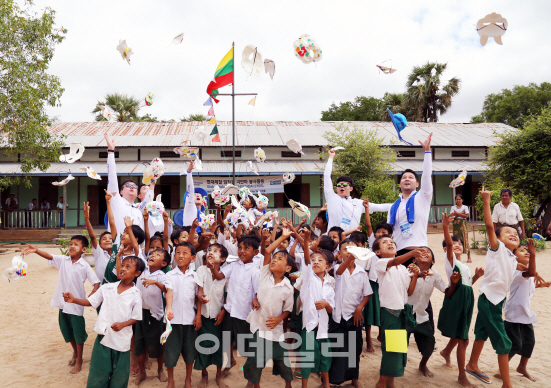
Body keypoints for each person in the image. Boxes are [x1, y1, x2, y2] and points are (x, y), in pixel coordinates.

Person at [465, 187, 535, 387]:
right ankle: (507, 384)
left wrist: (533, 256)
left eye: (515, 232)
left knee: (481, 333)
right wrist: (486, 201)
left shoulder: (513, 258)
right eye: (507, 232)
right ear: (498, 238)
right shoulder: (497, 249)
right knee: (504, 344)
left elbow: (529, 270)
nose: (513, 233)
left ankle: (472, 364)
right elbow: (489, 226)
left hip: (495, 300)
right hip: (489, 300)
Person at [63, 255, 145, 388]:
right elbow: (91, 301)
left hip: (121, 342)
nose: (123, 268)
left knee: (119, 377)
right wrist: (75, 300)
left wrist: (123, 324)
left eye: (128, 267)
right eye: (122, 265)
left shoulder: (136, 294)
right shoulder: (107, 287)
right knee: (98, 373)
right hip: (103, 338)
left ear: (137, 273)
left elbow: (136, 317)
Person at [22, 236, 100, 374]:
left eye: (76, 244)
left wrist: (92, 293)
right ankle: (75, 352)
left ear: (84, 249)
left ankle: (80, 360)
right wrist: (36, 250)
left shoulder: (85, 265)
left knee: (78, 333)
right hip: (63, 304)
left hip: (76, 305)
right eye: (71, 243)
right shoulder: (63, 260)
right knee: (67, 331)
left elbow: (96, 282)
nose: (72, 246)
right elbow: (49, 255)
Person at [241, 228, 294, 388]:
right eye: (275, 258)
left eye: (280, 259)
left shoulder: (288, 288)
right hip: (259, 326)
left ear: (288, 269)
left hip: (275, 330)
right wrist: (283, 237)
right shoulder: (265, 274)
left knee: (282, 360)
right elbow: (269, 250)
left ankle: (288, 384)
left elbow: (288, 310)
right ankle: (253, 384)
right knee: (256, 359)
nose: (274, 260)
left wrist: (279, 319)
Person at [438, 213, 484, 388]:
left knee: (460, 332)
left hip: (466, 299)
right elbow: (449, 243)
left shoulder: (463, 265)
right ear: (446, 249)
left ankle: (446, 351)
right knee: (464, 339)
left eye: (460, 244)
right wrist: (445, 226)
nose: (457, 245)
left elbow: (466, 284)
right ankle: (462, 376)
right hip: (458, 300)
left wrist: (476, 277)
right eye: (453, 244)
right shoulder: (450, 261)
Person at [373, 237, 421, 388]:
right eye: (385, 242)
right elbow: (393, 261)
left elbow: (410, 291)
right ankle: (382, 382)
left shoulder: (402, 269)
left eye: (392, 242)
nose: (390, 243)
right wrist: (412, 252)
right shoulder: (381, 263)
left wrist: (415, 276)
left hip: (402, 311)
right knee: (391, 348)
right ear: (377, 251)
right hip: (390, 311)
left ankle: (390, 381)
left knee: (399, 348)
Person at [209, 235, 261, 377]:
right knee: (226, 340)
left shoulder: (255, 271)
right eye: (240, 248)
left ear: (255, 253)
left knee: (246, 348)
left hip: (244, 314)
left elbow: (258, 291)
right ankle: (230, 361)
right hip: (230, 311)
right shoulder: (234, 265)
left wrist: (256, 298)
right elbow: (220, 276)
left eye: (246, 248)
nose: (242, 251)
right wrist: (213, 267)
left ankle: (251, 376)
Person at [328, 238, 371, 387]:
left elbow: (367, 294)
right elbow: (339, 272)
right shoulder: (336, 269)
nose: (350, 252)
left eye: (353, 249)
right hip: (337, 317)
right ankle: (334, 380)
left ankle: (353, 377)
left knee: (354, 348)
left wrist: (360, 308)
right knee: (336, 349)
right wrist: (349, 259)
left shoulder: (362, 273)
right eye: (346, 249)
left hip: (354, 318)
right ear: (339, 253)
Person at [504, 240, 546, 382]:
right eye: (522, 250)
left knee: (529, 342)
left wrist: (542, 285)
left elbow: (528, 286)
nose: (526, 252)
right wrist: (533, 255)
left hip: (525, 314)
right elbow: (531, 272)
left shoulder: (528, 275)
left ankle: (522, 367)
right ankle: (502, 368)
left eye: (527, 251)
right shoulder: (516, 272)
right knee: (515, 344)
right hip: (513, 315)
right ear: (514, 258)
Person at [324, 149, 391, 232]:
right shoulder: (331, 198)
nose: (341, 186)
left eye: (345, 185)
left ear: (351, 188)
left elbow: (379, 207)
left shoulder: (358, 203)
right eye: (339, 185)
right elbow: (326, 176)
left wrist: (402, 204)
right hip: (333, 241)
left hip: (352, 242)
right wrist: (331, 157)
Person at [165, 241, 202, 388]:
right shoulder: (170, 275)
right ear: (174, 256)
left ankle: (188, 379)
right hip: (172, 320)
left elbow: (198, 297)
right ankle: (170, 380)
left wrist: (198, 315)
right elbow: (169, 293)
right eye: (178, 253)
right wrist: (169, 309)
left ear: (192, 258)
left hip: (189, 319)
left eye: (185, 253)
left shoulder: (195, 276)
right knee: (171, 352)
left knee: (189, 351)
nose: (180, 256)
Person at [407, 247, 448, 378]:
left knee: (429, 345)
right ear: (414, 259)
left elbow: (447, 291)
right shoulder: (406, 272)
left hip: (422, 315)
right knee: (396, 347)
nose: (424, 253)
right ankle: (390, 374)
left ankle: (422, 365)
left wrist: (454, 283)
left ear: (433, 261)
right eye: (421, 252)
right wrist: (414, 275)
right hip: (403, 315)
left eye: (428, 252)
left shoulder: (435, 275)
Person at [134, 248, 170, 385]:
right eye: (152, 254)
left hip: (154, 315)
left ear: (164, 263)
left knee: (157, 344)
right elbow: (137, 250)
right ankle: (142, 373)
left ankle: (160, 369)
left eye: (158, 255)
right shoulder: (142, 270)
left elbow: (167, 290)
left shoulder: (161, 275)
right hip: (139, 313)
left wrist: (155, 283)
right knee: (139, 344)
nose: (153, 255)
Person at [195, 244, 229, 388]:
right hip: (203, 315)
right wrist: (198, 315)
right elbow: (199, 292)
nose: (211, 252)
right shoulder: (202, 270)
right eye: (209, 250)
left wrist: (224, 311)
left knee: (219, 346)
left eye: (215, 251)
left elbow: (228, 295)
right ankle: (204, 375)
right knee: (203, 345)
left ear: (222, 259)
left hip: (218, 316)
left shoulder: (226, 274)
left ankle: (218, 375)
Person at [104, 132, 145, 241]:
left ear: (138, 194)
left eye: (135, 186)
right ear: (120, 192)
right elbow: (112, 177)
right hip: (116, 250)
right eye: (127, 185)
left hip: (133, 253)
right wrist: (111, 152)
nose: (132, 187)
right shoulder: (116, 200)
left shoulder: (138, 212)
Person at [84, 199, 114, 284]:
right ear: (99, 245)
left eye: (110, 238)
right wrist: (87, 219)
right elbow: (93, 237)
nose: (108, 240)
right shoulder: (99, 253)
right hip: (101, 288)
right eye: (104, 239)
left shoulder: (117, 253)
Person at [450, 194, 472, 263]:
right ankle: (456, 256)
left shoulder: (465, 207)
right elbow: (452, 217)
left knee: (465, 239)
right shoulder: (453, 207)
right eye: (457, 199)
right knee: (456, 240)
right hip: (456, 225)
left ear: (462, 200)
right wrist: (461, 214)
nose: (458, 200)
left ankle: (469, 257)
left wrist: (457, 214)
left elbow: (466, 216)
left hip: (463, 224)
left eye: (459, 199)